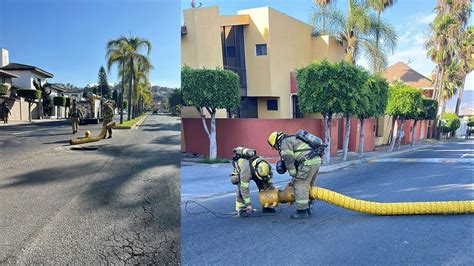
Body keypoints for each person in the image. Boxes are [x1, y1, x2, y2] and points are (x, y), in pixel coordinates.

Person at [268, 131, 322, 219]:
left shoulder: (284, 142)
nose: (277, 148)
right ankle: (308, 207)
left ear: (276, 141)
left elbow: (288, 159)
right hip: (316, 160)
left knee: (300, 185)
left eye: (275, 146)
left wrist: (293, 174)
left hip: (308, 162)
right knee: (309, 185)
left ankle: (302, 211)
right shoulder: (294, 139)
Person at [230, 147, 276, 216]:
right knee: (240, 187)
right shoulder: (246, 170)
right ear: (256, 170)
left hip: (254, 171)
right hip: (241, 170)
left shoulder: (265, 165)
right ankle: (241, 208)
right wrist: (248, 204)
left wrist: (270, 186)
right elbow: (244, 188)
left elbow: (269, 179)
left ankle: (268, 206)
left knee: (264, 184)